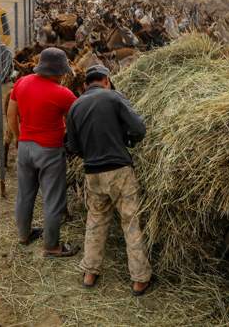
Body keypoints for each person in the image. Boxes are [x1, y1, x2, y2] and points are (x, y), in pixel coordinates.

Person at [66, 64, 153, 295]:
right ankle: (139, 278)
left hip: (92, 173)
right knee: (131, 222)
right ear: (106, 80)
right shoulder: (114, 97)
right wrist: (127, 140)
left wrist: (90, 154)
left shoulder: (75, 106)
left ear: (86, 84)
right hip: (119, 172)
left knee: (95, 221)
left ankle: (90, 272)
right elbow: (139, 128)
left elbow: (72, 146)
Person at [6, 47, 78, 257]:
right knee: (53, 198)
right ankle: (52, 246)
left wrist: (19, 138)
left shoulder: (21, 82)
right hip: (50, 150)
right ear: (59, 71)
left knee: (25, 193)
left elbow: (11, 115)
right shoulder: (64, 94)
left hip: (25, 147)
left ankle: (24, 235)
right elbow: (74, 123)